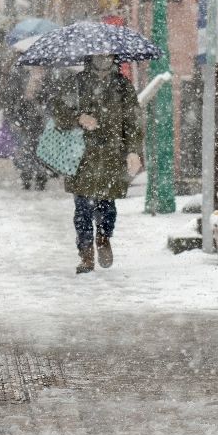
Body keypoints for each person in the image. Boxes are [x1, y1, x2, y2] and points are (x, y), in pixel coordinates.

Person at [52, 54, 143, 274]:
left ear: (114, 57)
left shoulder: (122, 86)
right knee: (82, 207)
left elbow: (133, 121)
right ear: (90, 57)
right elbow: (58, 113)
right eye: (99, 55)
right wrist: (78, 118)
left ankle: (103, 238)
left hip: (111, 155)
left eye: (108, 55)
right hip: (81, 155)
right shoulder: (75, 83)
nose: (103, 59)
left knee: (106, 204)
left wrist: (133, 151)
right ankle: (85, 253)